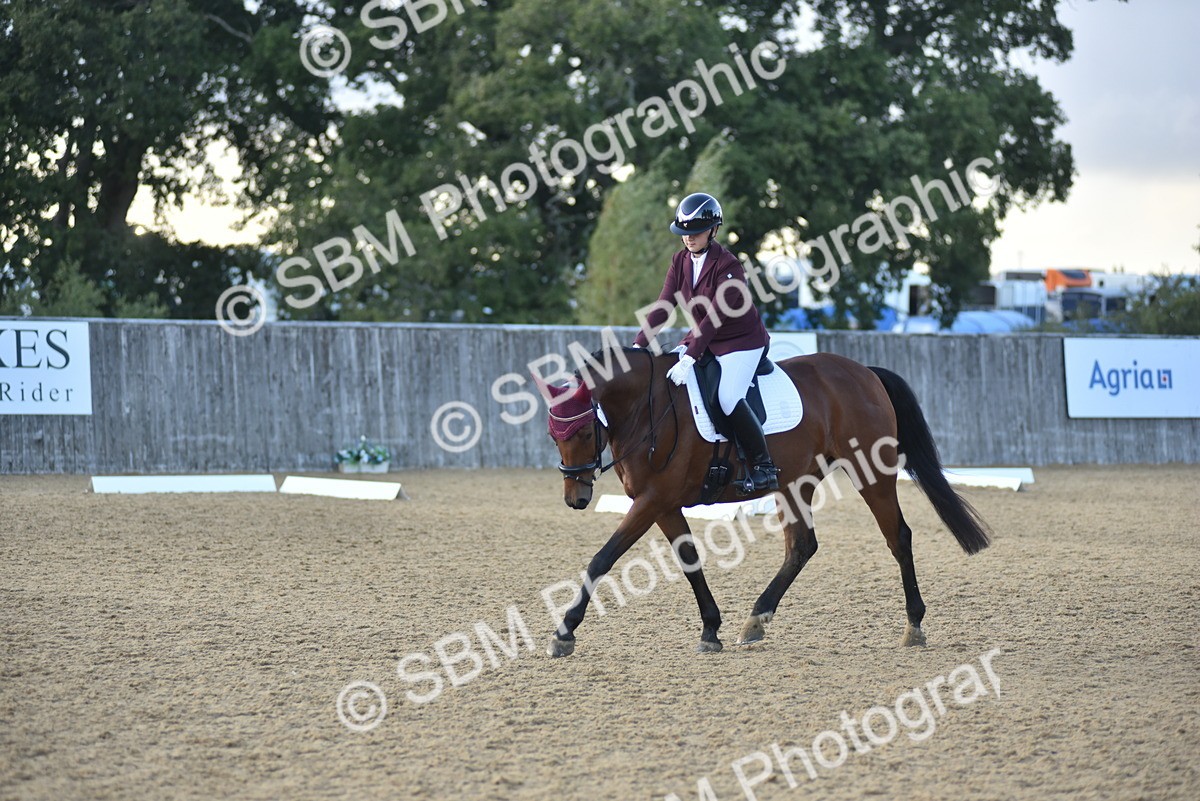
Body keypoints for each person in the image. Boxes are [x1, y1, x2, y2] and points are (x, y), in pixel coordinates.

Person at [632, 192, 779, 491]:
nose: (688, 238)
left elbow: (714, 318)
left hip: (741, 342)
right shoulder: (679, 261)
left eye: (695, 232)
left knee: (726, 397)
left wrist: (690, 357)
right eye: (684, 232)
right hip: (704, 339)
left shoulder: (730, 268)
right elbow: (663, 306)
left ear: (713, 230)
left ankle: (764, 467)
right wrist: (638, 346)